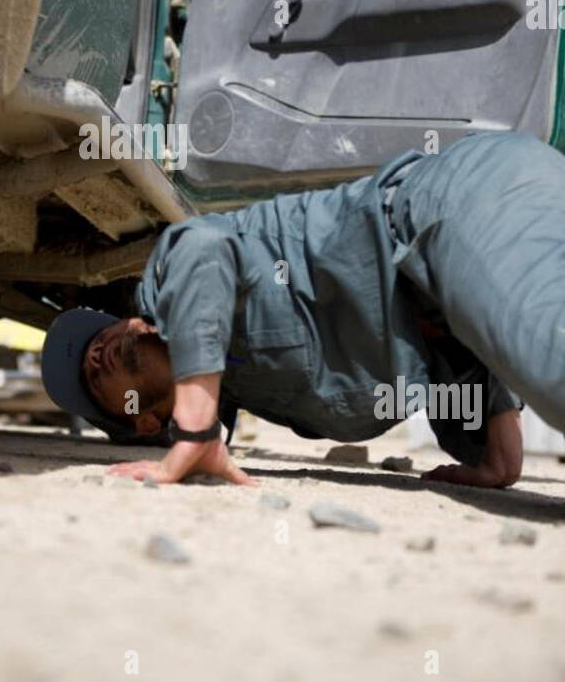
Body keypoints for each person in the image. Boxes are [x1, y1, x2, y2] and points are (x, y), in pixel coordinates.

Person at [40, 131, 565, 489]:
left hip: (446, 203)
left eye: (99, 335)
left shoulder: (170, 284)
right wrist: (500, 454)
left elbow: (203, 250)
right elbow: (457, 351)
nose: (95, 354)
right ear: (140, 419)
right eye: (91, 378)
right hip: (452, 277)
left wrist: (195, 431)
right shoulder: (268, 396)